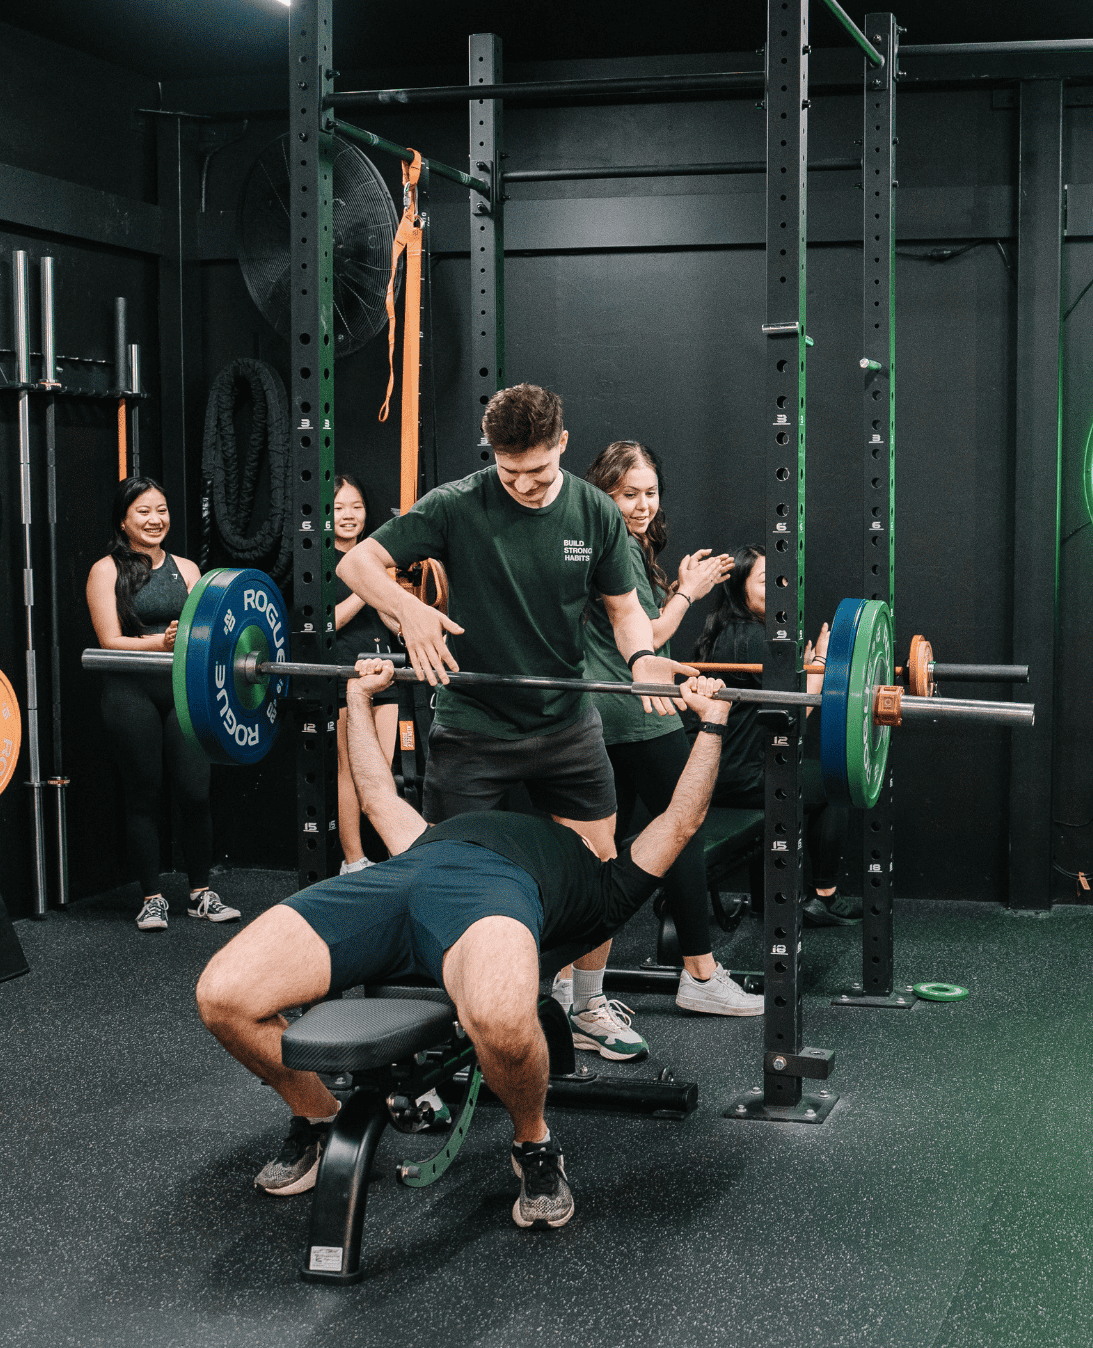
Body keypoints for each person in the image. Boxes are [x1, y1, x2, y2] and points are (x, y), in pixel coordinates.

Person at [194, 659, 735, 1223]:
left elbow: (682, 819)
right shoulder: (429, 834)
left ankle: (534, 1144)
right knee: (224, 995)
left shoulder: (606, 886)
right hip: (403, 876)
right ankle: (318, 1116)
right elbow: (378, 794)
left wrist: (713, 722)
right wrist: (359, 697)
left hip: (496, 901)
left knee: (501, 1020)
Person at [336, 384, 680, 1065]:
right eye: (507, 469)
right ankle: (453, 1019)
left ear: (562, 443)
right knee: (443, 873)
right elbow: (357, 562)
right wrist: (407, 611)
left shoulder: (592, 511)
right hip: (472, 721)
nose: (522, 483)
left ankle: (583, 1002)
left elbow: (622, 608)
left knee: (600, 865)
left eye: (537, 470)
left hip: (564, 720)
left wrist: (643, 657)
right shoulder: (458, 502)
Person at [577, 441, 758, 1015]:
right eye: (628, 493)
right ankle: (700, 977)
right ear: (604, 492)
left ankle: (577, 991)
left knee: (603, 851)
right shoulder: (616, 545)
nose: (641, 504)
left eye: (649, 493)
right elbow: (648, 637)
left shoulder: (619, 544)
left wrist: (675, 584)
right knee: (682, 828)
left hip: (608, 714)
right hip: (637, 714)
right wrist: (688, 592)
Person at [83, 477, 240, 933]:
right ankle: (151, 898)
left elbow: (203, 634)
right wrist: (162, 642)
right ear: (123, 521)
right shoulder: (104, 571)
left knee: (195, 792)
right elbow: (109, 641)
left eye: (162, 510)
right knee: (144, 795)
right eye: (144, 512)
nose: (156, 520)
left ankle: (200, 893)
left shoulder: (189, 569)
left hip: (180, 692)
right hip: (130, 692)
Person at [688, 552, 849, 925]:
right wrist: (822, 664)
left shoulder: (728, 631)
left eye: (783, 579)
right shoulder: (757, 639)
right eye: (766, 580)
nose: (781, 589)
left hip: (713, 773)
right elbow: (793, 715)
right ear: (738, 589)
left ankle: (772, 901)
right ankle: (824, 896)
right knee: (834, 782)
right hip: (740, 778)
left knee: (809, 773)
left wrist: (802, 670)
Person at [329, 474, 407, 876]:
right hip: (347, 673)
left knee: (381, 767)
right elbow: (331, 623)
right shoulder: (323, 561)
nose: (349, 515)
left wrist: (408, 618)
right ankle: (353, 860)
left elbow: (391, 621)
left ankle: (394, 860)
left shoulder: (375, 556)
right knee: (350, 769)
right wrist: (367, 586)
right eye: (340, 506)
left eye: (356, 506)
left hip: (385, 668)